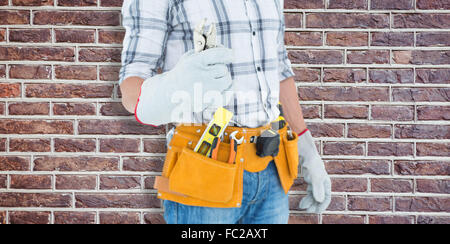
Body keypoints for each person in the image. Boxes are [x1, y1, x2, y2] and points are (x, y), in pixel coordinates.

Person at [119, 0, 331, 224]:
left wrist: (307, 148)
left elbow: (279, 66)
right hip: (205, 167)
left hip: (271, 169)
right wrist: (172, 87)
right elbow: (131, 86)